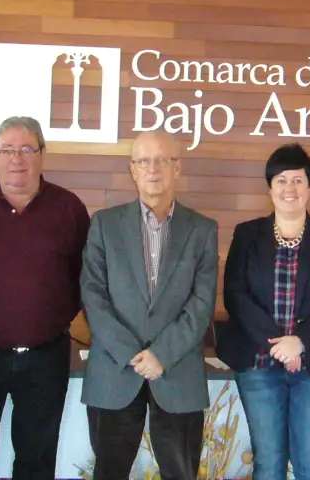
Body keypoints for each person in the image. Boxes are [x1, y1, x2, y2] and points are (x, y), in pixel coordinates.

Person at [0, 116, 90, 480]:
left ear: (42, 153)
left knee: (37, 457)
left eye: (26, 149)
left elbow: (85, 276)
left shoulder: (69, 208)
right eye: (7, 149)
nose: (16, 158)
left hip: (46, 355)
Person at [80, 130, 219, 480]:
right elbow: (93, 295)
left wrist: (161, 354)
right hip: (115, 370)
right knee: (109, 473)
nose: (152, 168)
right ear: (132, 169)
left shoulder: (202, 229)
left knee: (181, 473)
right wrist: (130, 352)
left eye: (161, 160)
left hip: (177, 372)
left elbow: (201, 303)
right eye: (143, 161)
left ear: (177, 167)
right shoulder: (104, 224)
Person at [217, 144, 310, 480]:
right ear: (270, 188)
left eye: (297, 180)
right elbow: (235, 295)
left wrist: (300, 341)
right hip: (259, 364)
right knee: (268, 464)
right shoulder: (247, 234)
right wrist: (280, 346)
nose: (289, 188)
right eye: (281, 180)